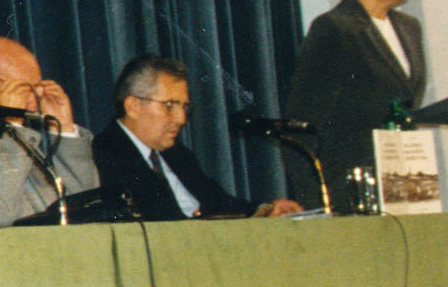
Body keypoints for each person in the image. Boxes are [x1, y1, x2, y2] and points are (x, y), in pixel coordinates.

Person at [283, 0, 427, 213]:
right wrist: (319, 207)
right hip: (352, 196)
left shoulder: (409, 28)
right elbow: (302, 128)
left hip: (407, 186)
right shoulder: (335, 29)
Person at [93, 54, 301, 221]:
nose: (181, 119)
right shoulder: (102, 154)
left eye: (184, 107)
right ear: (133, 106)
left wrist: (267, 210)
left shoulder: (178, 155)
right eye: (169, 105)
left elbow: (221, 204)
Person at [0, 36, 98, 230]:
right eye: (21, 87)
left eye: (37, 88)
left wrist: (65, 129)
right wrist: (12, 124)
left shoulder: (23, 140)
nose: (35, 98)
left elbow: (86, 205)